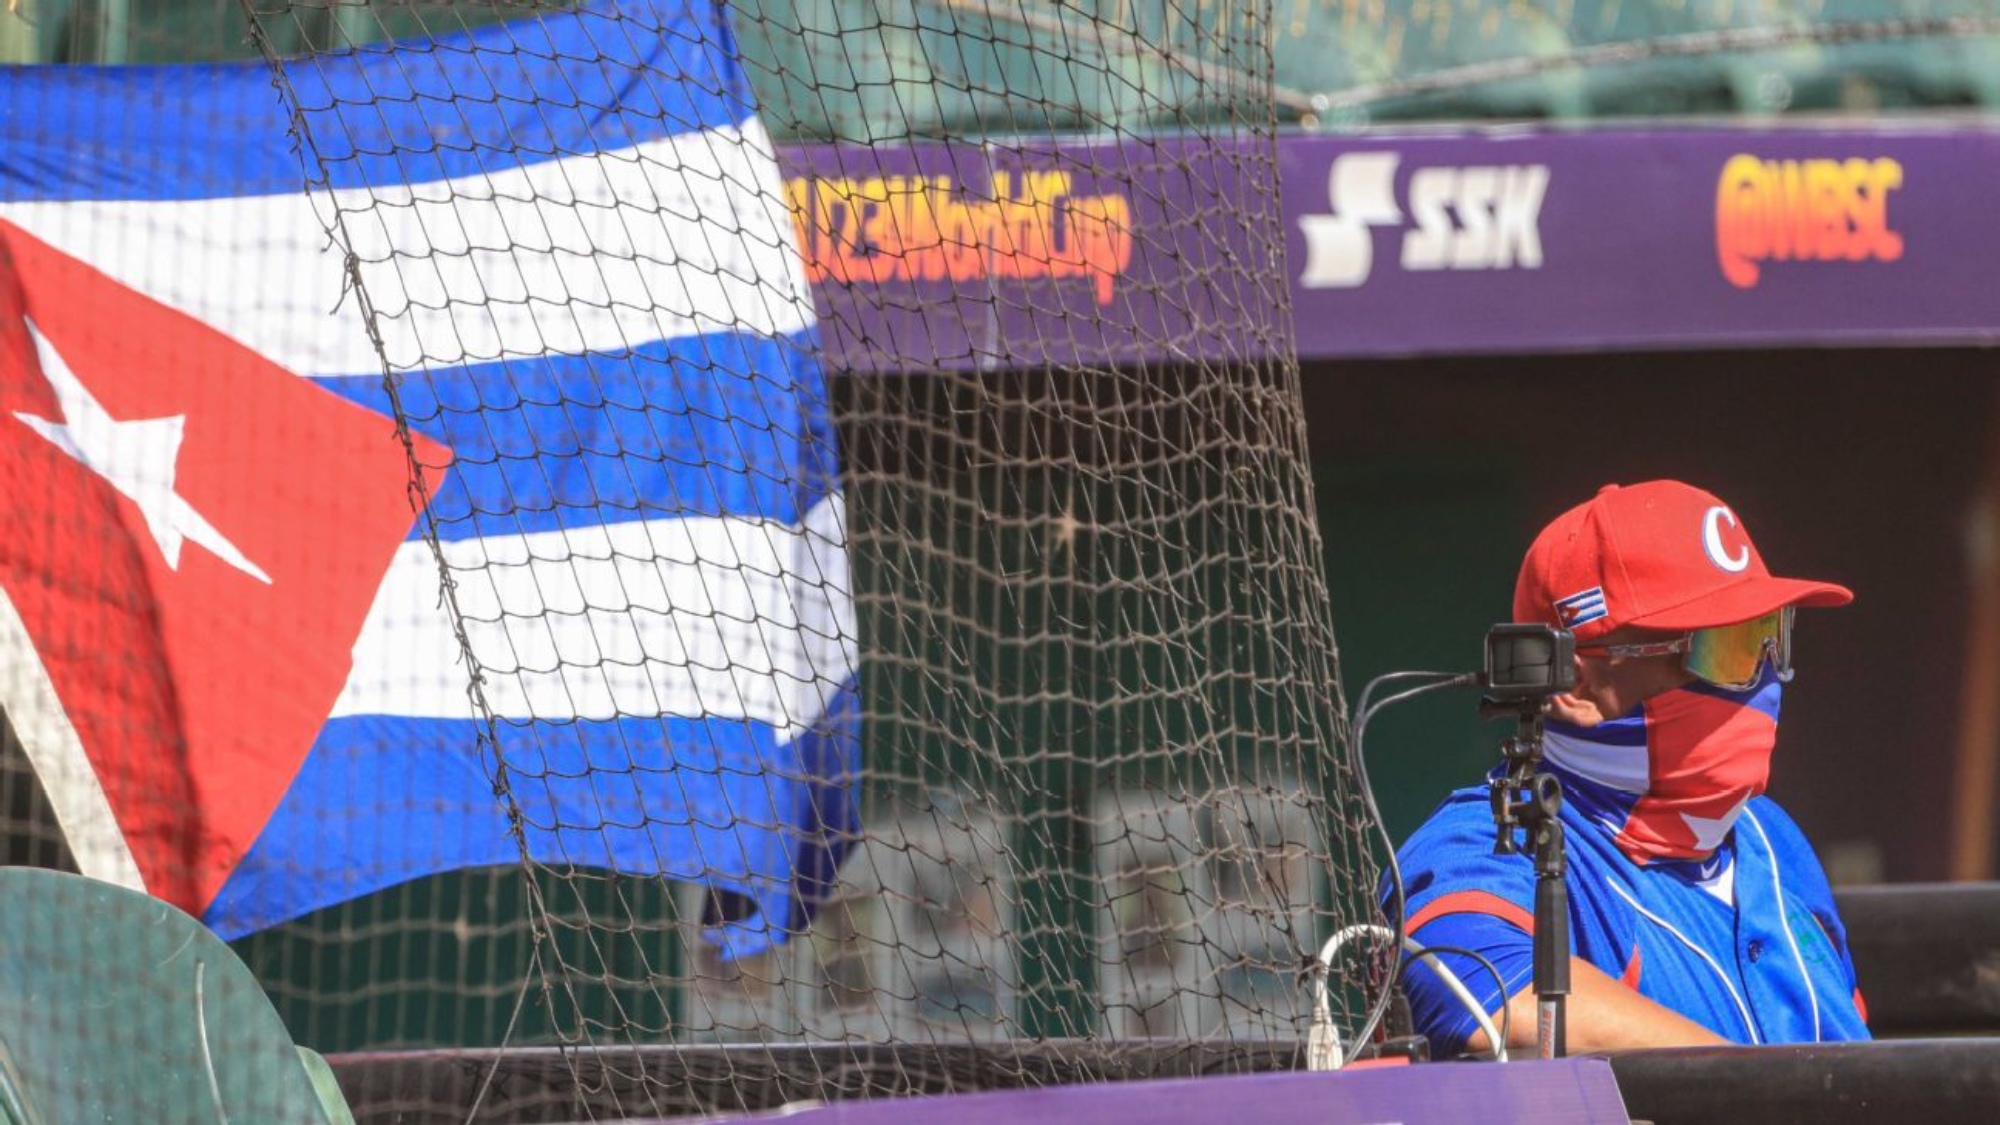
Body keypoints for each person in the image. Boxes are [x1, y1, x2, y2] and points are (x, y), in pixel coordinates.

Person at [1390, 480, 1871, 1055]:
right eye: (1723, 650)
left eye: (1769, 638)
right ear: (1578, 686)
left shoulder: (1769, 834)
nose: (1762, 678)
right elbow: (1486, 995)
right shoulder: (1495, 836)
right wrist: (1768, 1092)